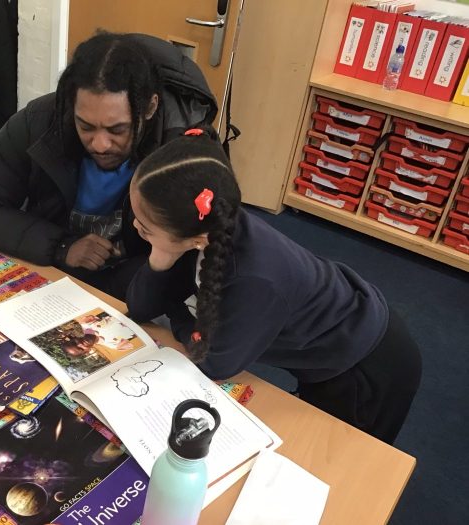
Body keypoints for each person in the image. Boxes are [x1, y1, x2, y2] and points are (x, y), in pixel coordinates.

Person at [125, 131, 422, 445]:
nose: (134, 227)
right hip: (326, 342)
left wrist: (178, 314)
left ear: (197, 239)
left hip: (364, 365)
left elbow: (216, 362)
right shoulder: (207, 230)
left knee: (339, 454)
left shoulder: (254, 279)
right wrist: (161, 256)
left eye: (145, 229)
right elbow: (140, 307)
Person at [0, 31, 218, 300]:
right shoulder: (40, 121)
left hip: (134, 289)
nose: (100, 144)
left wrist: (112, 291)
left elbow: (197, 248)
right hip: (50, 268)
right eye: (85, 126)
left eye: (117, 129)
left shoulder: (186, 151)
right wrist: (61, 246)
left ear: (150, 108)